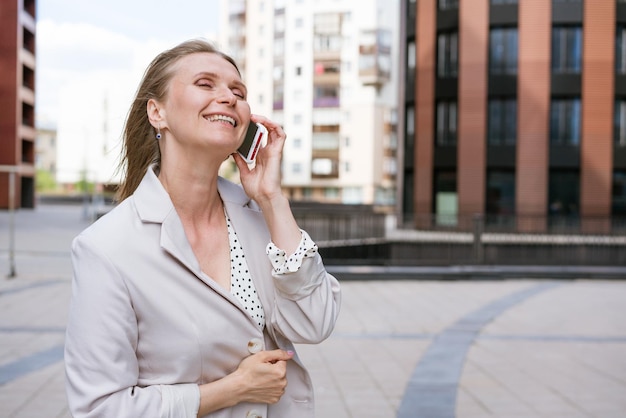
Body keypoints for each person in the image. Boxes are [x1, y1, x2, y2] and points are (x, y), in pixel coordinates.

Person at [64, 39, 341, 418]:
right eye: (206, 84)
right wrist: (233, 389)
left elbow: (315, 321)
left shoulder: (258, 218)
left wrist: (273, 199)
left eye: (238, 91)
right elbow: (101, 409)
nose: (228, 97)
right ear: (157, 112)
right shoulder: (106, 248)